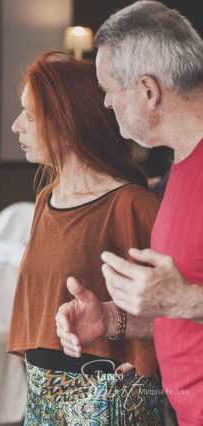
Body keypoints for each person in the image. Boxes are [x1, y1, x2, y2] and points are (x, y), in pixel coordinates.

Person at [55, 1, 203, 424]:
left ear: (148, 91)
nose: (105, 103)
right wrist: (112, 319)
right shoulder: (179, 164)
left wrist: (186, 299)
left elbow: (187, 301)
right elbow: (181, 313)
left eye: (108, 90)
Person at [7, 50, 164, 424]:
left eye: (31, 116)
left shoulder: (133, 205)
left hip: (107, 399)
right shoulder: (46, 200)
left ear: (69, 123)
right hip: (44, 396)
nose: (16, 126)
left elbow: (174, 312)